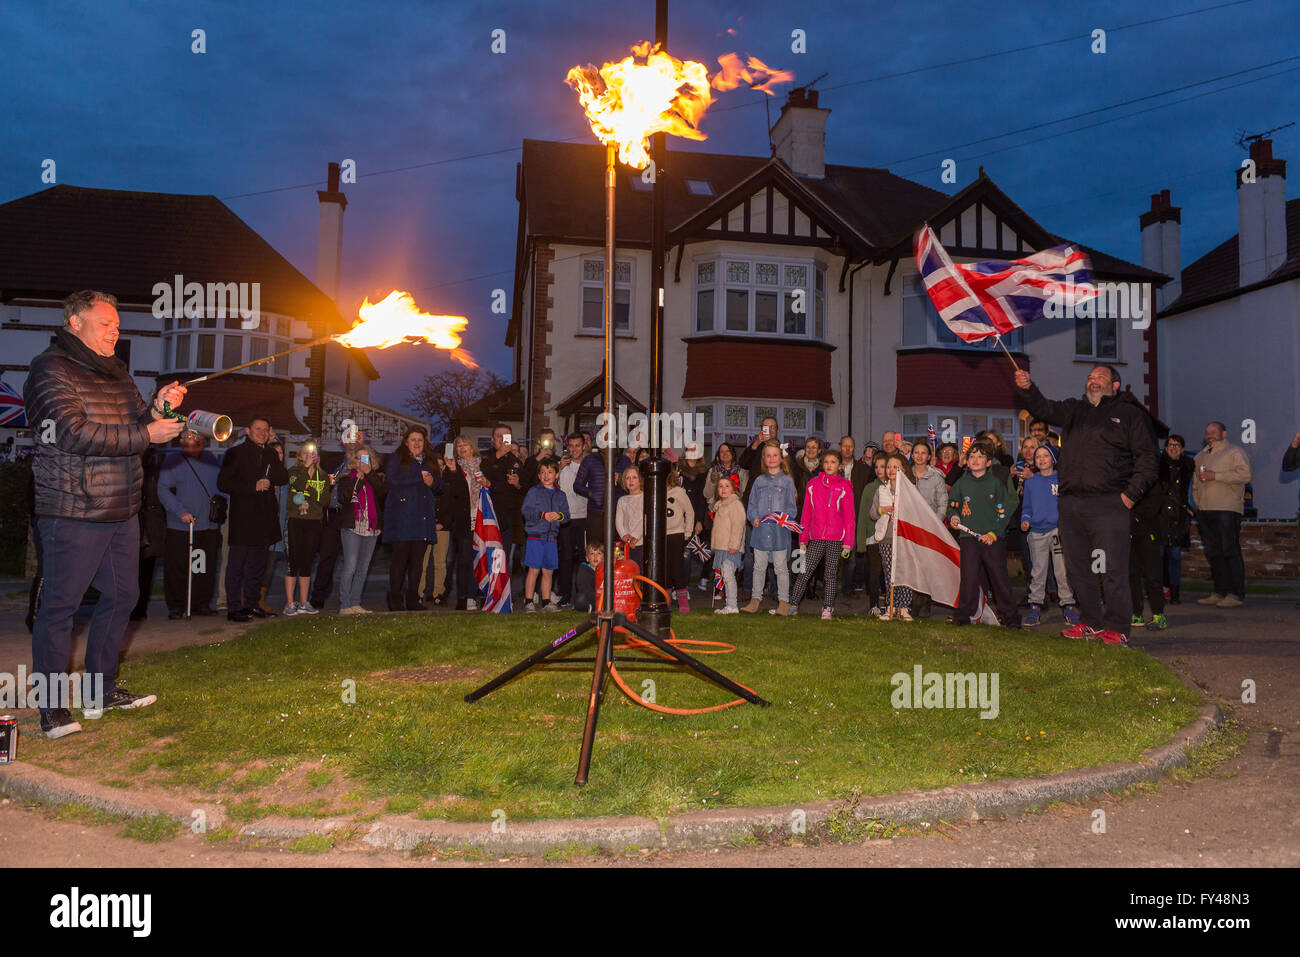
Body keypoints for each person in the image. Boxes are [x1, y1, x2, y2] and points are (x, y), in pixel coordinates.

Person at [24, 289, 188, 737]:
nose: (115, 331)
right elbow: (70, 433)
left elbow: (138, 422)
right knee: (60, 608)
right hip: (72, 508)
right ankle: (52, 708)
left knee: (123, 599)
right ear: (74, 322)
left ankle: (100, 692)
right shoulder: (48, 369)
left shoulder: (117, 373)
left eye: (117, 325)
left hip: (122, 507)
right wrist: (146, 434)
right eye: (105, 323)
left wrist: (159, 407)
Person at [1015, 365, 1157, 645]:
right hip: (1071, 503)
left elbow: (1149, 459)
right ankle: (1091, 621)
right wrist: (1027, 388)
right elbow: (1044, 408)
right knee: (1079, 567)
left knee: (1113, 568)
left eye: (1101, 378)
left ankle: (1118, 625)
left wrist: (1129, 495)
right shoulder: (1074, 410)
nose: (1093, 381)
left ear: (1115, 385)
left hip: (1110, 503)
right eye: (1090, 377)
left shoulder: (1130, 415)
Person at [218, 416, 290, 622]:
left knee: (257, 567)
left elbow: (283, 477)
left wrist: (271, 473)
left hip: (265, 519)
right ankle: (234, 608)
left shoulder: (270, 453)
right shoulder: (235, 453)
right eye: (258, 429)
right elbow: (223, 483)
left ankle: (252, 605)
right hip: (243, 518)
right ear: (248, 431)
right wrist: (253, 486)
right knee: (237, 566)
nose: (262, 432)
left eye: (266, 429)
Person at [947, 440, 1020, 628]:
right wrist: (954, 517)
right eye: (972, 456)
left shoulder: (996, 483)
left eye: (980, 456)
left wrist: (994, 534)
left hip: (992, 540)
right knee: (968, 578)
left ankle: (1011, 617)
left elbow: (1003, 513)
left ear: (989, 462)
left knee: (999, 578)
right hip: (968, 539)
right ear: (967, 461)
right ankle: (964, 615)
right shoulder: (961, 483)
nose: (975, 460)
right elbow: (953, 504)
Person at [158, 430, 223, 619]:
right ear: (182, 441)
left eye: (197, 438)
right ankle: (177, 606)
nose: (193, 442)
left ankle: (200, 603)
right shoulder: (173, 461)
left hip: (206, 526)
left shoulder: (210, 458)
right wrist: (180, 512)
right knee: (178, 568)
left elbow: (219, 486)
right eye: (188, 438)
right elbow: (162, 489)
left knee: (201, 567)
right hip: (181, 526)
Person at [788, 448, 855, 620]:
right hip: (816, 537)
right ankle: (793, 604)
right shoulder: (813, 485)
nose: (829, 465)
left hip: (835, 539)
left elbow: (849, 518)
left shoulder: (845, 487)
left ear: (840, 466)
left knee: (830, 575)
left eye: (833, 462)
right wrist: (803, 539)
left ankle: (828, 608)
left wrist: (848, 542)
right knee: (804, 570)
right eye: (826, 462)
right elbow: (806, 515)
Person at [1192, 421, 1252, 608]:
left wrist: (1216, 476)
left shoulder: (1235, 452)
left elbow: (1245, 475)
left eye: (1214, 431)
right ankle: (1220, 591)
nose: (1210, 435)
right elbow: (1196, 484)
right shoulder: (1200, 456)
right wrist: (1198, 502)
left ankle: (1235, 594)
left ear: (1224, 433)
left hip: (1227, 508)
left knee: (1229, 550)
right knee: (1214, 553)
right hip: (1205, 510)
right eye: (1207, 432)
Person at [1019, 445, 1080, 628]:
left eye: (1046, 456)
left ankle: (1068, 605)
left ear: (1053, 459)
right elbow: (1027, 507)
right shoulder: (1031, 482)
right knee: (1038, 570)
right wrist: (1026, 520)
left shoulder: (1062, 480)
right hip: (1037, 531)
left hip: (1057, 530)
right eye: (1038, 457)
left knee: (1062, 570)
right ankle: (1035, 606)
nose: (1042, 459)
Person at [383, 426, 442, 612]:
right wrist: (418, 478)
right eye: (413, 440)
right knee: (400, 562)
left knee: (418, 563)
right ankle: (394, 598)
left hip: (422, 518)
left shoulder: (430, 460)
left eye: (420, 440)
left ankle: (412, 599)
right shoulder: (396, 458)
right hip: (402, 518)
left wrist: (433, 483)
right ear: (406, 441)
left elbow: (440, 486)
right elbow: (391, 482)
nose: (416, 443)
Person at [744, 441, 797, 615]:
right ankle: (755, 600)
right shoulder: (759, 481)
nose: (772, 458)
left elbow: (792, 508)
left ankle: (784, 602)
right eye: (768, 455)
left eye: (775, 455)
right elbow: (751, 505)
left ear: (781, 458)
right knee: (759, 567)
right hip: (761, 533)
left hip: (779, 534)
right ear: (764, 459)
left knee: (781, 568)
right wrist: (753, 518)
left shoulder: (787, 482)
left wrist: (783, 519)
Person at [336, 443, 385, 614]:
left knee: (363, 568)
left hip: (370, 528)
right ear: (353, 461)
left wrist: (369, 474)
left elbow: (382, 491)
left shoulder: (375, 478)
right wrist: (359, 479)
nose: (363, 461)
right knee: (350, 566)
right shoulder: (345, 479)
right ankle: (345, 604)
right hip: (352, 527)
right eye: (359, 458)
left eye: (366, 458)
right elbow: (345, 497)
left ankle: (356, 603)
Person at [283, 440, 328, 616]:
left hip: (314, 520)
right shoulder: (294, 471)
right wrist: (305, 472)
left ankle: (304, 602)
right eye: (305, 453)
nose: (310, 456)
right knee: (293, 560)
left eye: (313, 453)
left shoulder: (322, 476)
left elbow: (325, 500)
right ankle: (289, 603)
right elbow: (297, 486)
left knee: (307, 561)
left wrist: (312, 490)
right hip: (295, 519)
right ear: (300, 457)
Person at [871, 453, 916, 621]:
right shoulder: (881, 489)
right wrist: (883, 510)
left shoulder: (910, 490)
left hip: (904, 538)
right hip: (887, 538)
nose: (890, 470)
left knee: (905, 573)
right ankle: (891, 607)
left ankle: (903, 607)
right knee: (890, 574)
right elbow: (873, 513)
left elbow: (916, 513)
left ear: (903, 469)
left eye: (895, 466)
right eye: (888, 466)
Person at [521, 459, 569, 612]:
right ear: (539, 475)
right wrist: (542, 515)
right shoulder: (533, 492)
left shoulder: (561, 495)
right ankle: (528, 601)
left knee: (548, 571)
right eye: (542, 472)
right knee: (534, 570)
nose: (546, 475)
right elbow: (526, 511)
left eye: (550, 472)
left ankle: (546, 601)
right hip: (535, 536)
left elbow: (567, 515)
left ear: (556, 475)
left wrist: (558, 516)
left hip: (551, 539)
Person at [480, 424, 524, 581]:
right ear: (493, 439)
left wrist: (517, 484)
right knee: (486, 553)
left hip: (507, 515)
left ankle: (501, 590)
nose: (502, 440)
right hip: (488, 512)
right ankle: (483, 591)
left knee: (502, 554)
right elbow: (482, 473)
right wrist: (498, 455)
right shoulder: (485, 457)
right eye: (498, 436)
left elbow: (522, 488)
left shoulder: (515, 461)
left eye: (506, 437)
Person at [439, 436, 479, 611]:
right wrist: (454, 469)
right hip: (464, 520)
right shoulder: (451, 469)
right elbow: (453, 493)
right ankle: (464, 596)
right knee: (464, 560)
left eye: (466, 445)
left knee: (480, 559)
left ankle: (477, 594)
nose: (462, 448)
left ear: (472, 447)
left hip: (483, 518)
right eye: (459, 446)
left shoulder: (482, 464)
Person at [909, 441, 948, 619]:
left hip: (929, 529)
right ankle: (909, 602)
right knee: (912, 567)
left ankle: (924, 603)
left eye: (923, 453)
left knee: (926, 568)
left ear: (929, 457)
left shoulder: (936, 478)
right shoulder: (905, 474)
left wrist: (935, 524)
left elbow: (942, 504)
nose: (919, 456)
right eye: (916, 452)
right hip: (909, 527)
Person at [130, 447, 168, 621]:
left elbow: (160, 496)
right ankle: (129, 608)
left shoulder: (154, 470)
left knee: (146, 569)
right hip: (131, 523)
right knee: (129, 571)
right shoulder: (125, 468)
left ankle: (139, 609)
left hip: (150, 526)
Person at [1158, 435, 1196, 604]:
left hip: (1178, 517)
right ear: (1166, 448)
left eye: (1177, 445)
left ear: (1182, 448)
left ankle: (1175, 593)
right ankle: (1158, 591)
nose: (1173, 448)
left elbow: (1193, 488)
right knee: (1157, 556)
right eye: (1170, 445)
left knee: (1174, 556)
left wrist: (1190, 507)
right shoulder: (1157, 465)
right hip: (1160, 517)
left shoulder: (1188, 465)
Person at [556, 434, 588, 606]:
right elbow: (549, 484)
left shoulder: (589, 466)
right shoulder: (563, 467)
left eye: (578, 445)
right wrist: (559, 468)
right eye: (572, 446)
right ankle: (565, 595)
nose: (575, 449)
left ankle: (583, 594)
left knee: (585, 557)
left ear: (584, 447)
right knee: (566, 557)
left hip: (584, 516)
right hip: (566, 517)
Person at [856, 452, 889, 616]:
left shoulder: (895, 487)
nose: (879, 470)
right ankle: (874, 605)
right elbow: (863, 515)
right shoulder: (870, 488)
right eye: (876, 467)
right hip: (873, 537)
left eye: (883, 466)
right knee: (874, 573)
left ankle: (891, 604)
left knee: (889, 573)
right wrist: (861, 542)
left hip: (890, 537)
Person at [678, 442, 711, 589]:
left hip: (696, 518)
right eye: (689, 449)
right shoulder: (678, 470)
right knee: (683, 555)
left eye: (695, 449)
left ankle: (703, 578)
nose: (692, 452)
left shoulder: (704, 472)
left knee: (706, 551)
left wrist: (699, 521)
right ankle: (680, 587)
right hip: (679, 519)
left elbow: (702, 499)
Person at [710, 475, 745, 614]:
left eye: (727, 486)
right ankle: (729, 603)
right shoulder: (720, 505)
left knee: (729, 575)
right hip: (722, 546)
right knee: (725, 575)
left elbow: (738, 525)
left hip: (730, 547)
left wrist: (734, 544)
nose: (723, 489)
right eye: (720, 486)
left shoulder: (735, 504)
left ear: (733, 489)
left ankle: (732, 605)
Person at [665, 465, 696, 613]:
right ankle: (667, 600)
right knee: (664, 569)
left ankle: (683, 600)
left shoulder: (678, 492)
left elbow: (689, 511)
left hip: (677, 533)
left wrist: (688, 531)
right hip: (660, 535)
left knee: (677, 568)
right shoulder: (655, 492)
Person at [615, 465, 645, 568]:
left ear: (640, 480)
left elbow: (645, 519)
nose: (631, 481)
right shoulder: (622, 500)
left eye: (634, 477)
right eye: (628, 478)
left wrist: (635, 536)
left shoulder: (646, 498)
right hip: (625, 543)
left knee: (639, 571)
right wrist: (624, 535)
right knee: (623, 569)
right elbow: (618, 521)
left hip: (640, 543)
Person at [703, 442, 748, 510]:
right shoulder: (713, 471)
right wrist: (712, 482)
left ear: (733, 454)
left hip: (735, 511)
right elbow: (707, 494)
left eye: (728, 451)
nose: (725, 454)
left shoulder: (741, 473)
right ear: (718, 456)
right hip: (716, 511)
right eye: (722, 452)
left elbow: (745, 496)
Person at [573, 542, 602, 613]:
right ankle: (592, 607)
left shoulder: (607, 570)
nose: (595, 557)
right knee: (580, 599)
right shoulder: (584, 570)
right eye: (592, 554)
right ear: (587, 558)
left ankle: (598, 607)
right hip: (591, 598)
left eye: (598, 553)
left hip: (603, 598)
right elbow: (585, 589)